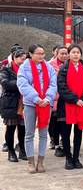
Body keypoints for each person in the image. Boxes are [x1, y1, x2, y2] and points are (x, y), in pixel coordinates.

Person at [17, 44, 57, 174]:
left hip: (46, 104)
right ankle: (31, 162)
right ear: (31, 54)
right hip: (30, 104)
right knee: (29, 134)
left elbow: (53, 84)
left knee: (43, 133)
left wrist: (46, 99)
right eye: (38, 53)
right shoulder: (24, 68)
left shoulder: (49, 68)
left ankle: (40, 161)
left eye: (43, 53)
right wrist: (36, 98)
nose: (41, 56)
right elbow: (23, 85)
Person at [57, 44, 83, 170]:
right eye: (73, 52)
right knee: (66, 133)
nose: (76, 54)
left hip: (82, 104)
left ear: (81, 54)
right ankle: (68, 158)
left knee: (78, 132)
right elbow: (62, 87)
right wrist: (75, 99)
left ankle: (76, 158)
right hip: (67, 105)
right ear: (69, 54)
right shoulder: (63, 68)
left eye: (78, 52)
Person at [0, 49, 27, 162]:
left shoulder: (27, 70)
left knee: (23, 129)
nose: (23, 61)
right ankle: (11, 151)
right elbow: (5, 84)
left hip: (24, 103)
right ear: (14, 58)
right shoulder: (6, 69)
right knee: (10, 129)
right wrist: (23, 84)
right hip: (10, 103)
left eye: (25, 59)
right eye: (21, 59)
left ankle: (22, 150)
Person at [48, 45, 68, 157]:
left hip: (67, 98)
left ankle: (64, 143)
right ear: (56, 54)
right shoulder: (51, 66)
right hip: (55, 98)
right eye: (62, 54)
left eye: (66, 53)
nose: (64, 56)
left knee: (65, 123)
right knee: (55, 122)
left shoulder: (71, 64)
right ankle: (56, 145)